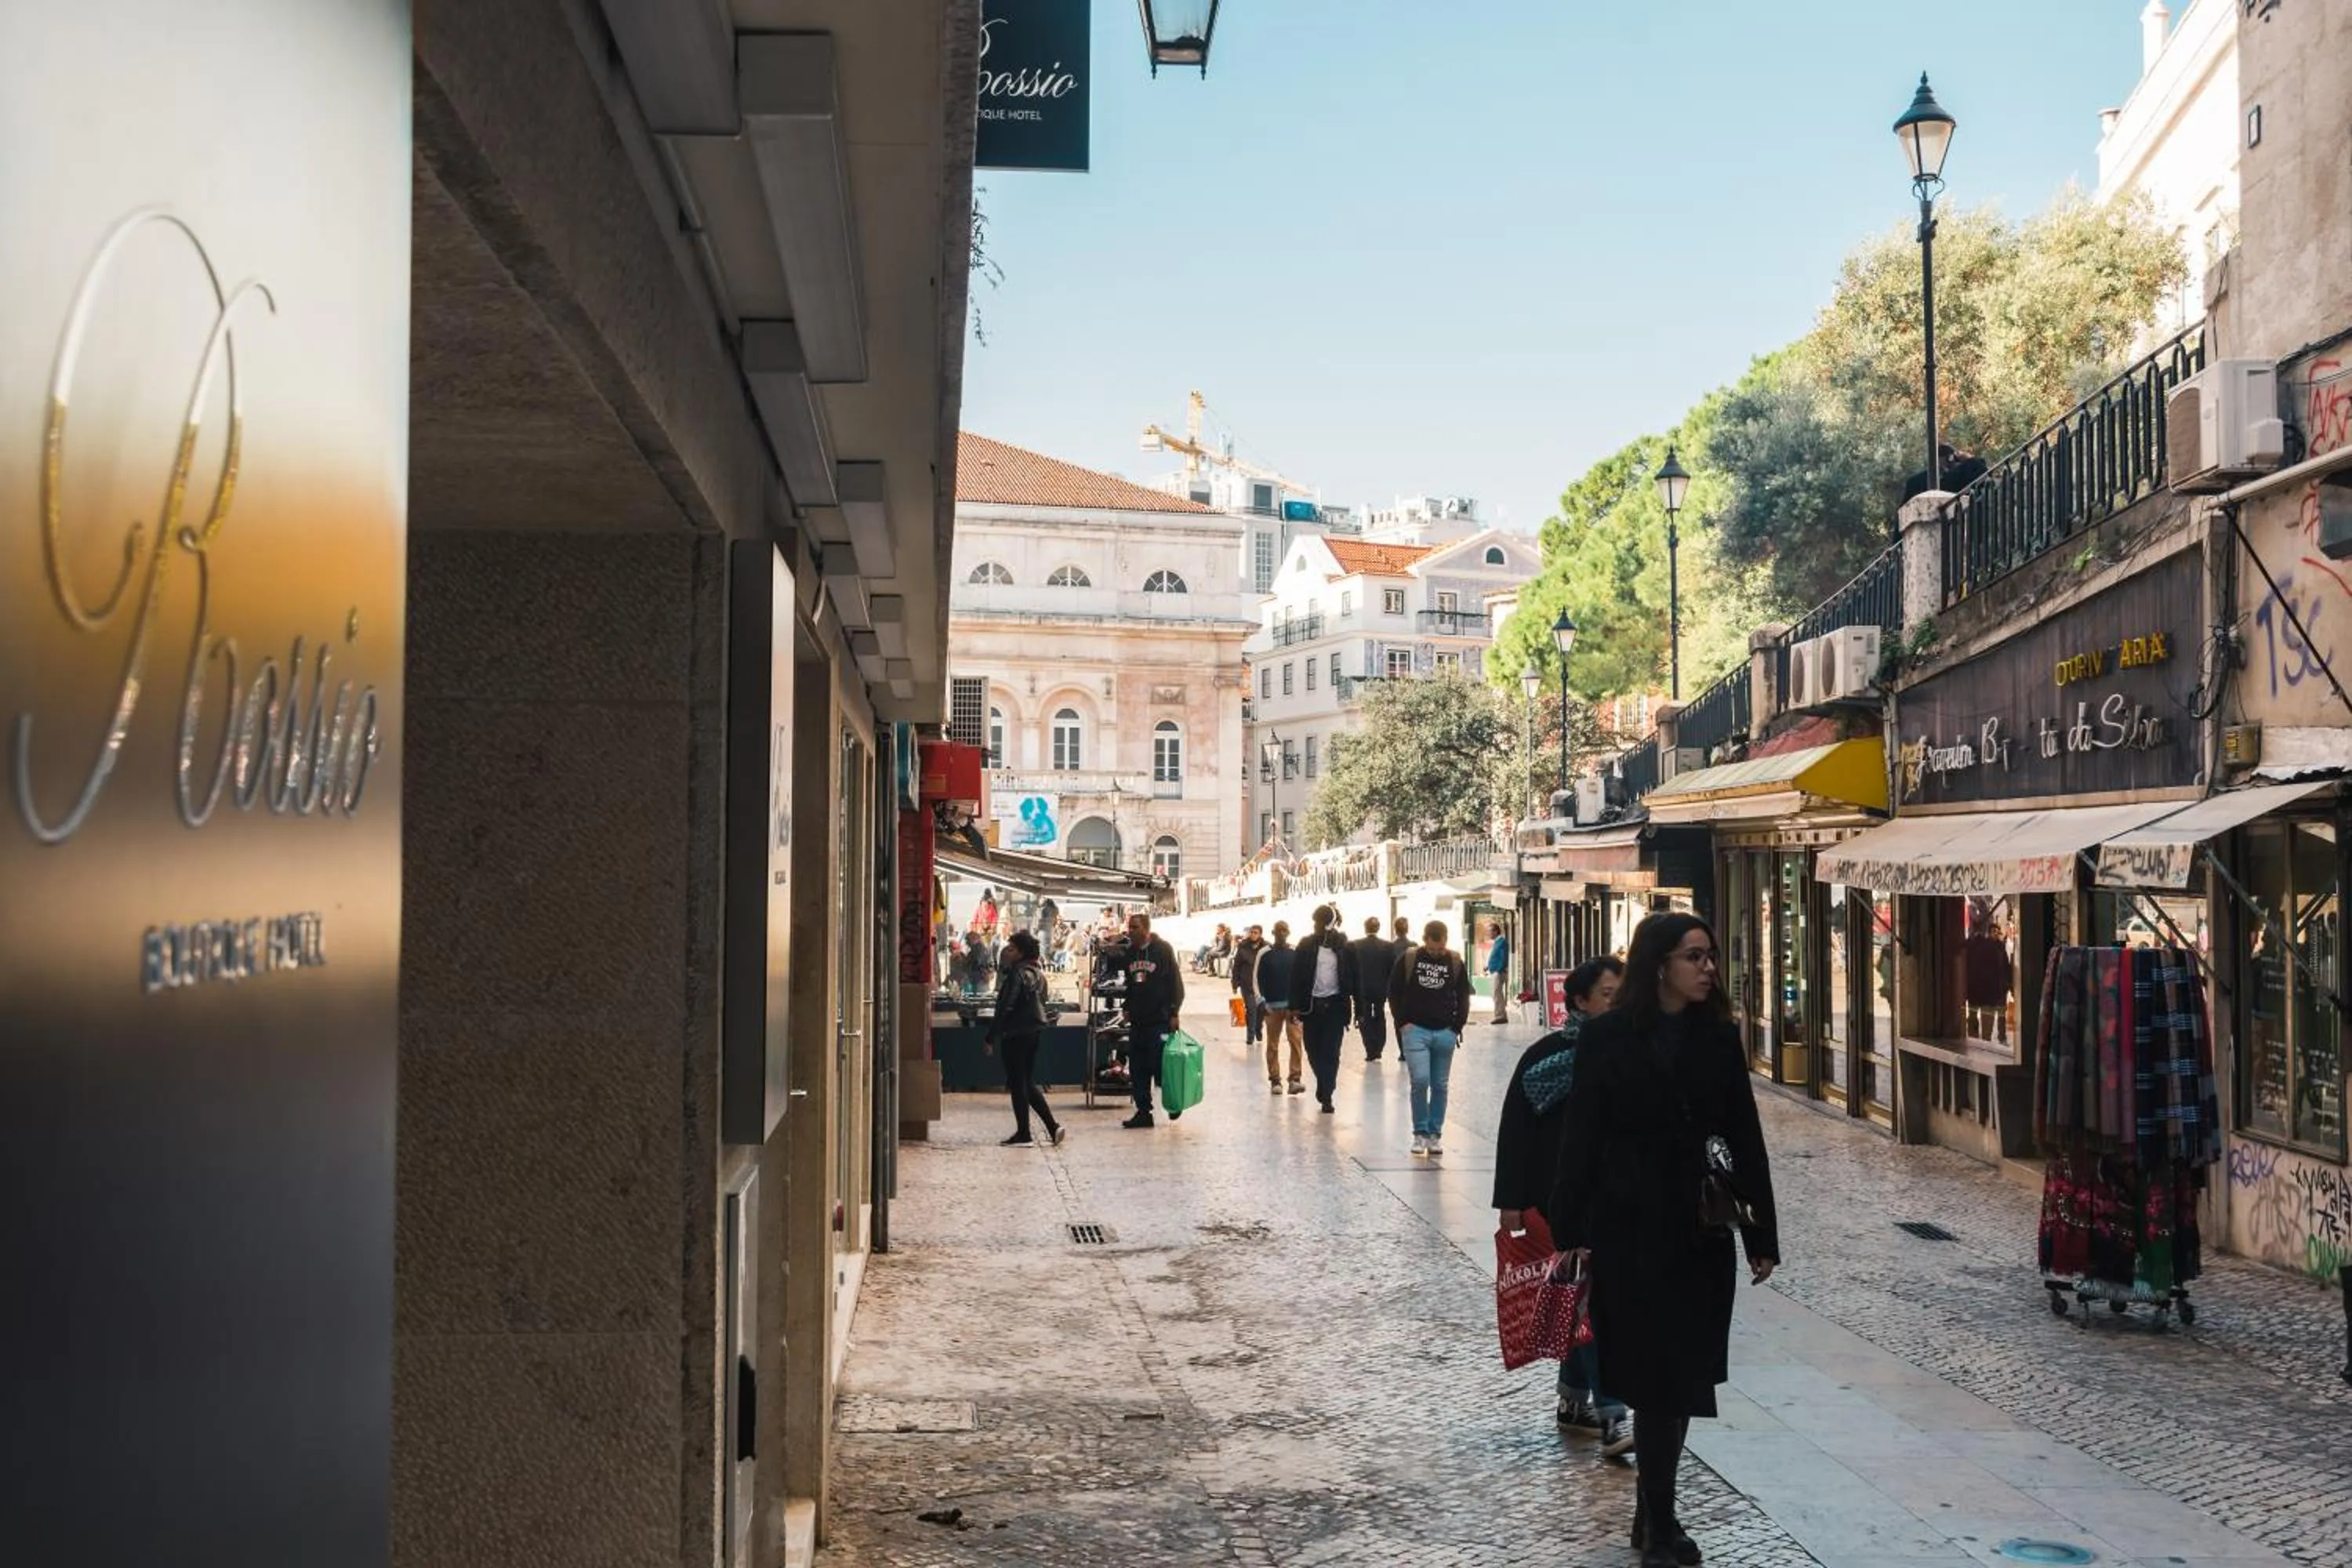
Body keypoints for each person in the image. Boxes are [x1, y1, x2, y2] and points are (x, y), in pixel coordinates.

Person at [1550, 913, 1780, 1568]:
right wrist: (1570, 1232)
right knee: (1652, 1377)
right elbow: (1581, 1139)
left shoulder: (1719, 1037)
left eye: (1710, 956)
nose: (1708, 968)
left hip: (1699, 1229)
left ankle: (1654, 1515)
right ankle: (1661, 1518)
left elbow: (1744, 1135)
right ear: (1659, 965)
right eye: (1694, 957)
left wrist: (1761, 1234)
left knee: (1680, 1378)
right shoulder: (1605, 1039)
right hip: (1628, 1229)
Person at [1493, 957, 1631, 1454]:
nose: (1620, 1002)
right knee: (1594, 1304)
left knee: (1583, 1301)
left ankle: (1575, 1399)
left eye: (1624, 992)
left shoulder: (1630, 1054)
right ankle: (1614, 1413)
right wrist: (1510, 1202)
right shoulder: (1545, 1057)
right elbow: (1516, 1132)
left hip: (1616, 1202)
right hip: (1559, 1204)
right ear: (1580, 1001)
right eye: (1610, 994)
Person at [1389, 920, 1472, 1155]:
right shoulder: (1409, 958)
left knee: (1440, 1085)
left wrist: (1456, 1027)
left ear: (1446, 940)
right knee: (1420, 1081)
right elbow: (1394, 991)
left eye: (1441, 948)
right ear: (1425, 940)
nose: (1437, 952)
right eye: (1433, 948)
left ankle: (1435, 1135)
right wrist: (1402, 1023)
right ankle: (1420, 1133)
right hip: (1415, 1030)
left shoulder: (1455, 961)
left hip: (1445, 1032)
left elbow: (1463, 995)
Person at [984, 931, 1065, 1148]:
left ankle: (1024, 1133)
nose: (1007, 952)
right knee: (1026, 1082)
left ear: (1020, 952)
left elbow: (1006, 1006)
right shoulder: (1037, 973)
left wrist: (991, 1036)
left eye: (1011, 949)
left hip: (1016, 1033)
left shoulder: (1017, 974)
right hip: (1033, 1032)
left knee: (1018, 1083)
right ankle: (1052, 1127)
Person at [1285, 905, 1358, 1112]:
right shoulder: (1306, 945)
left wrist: (1359, 1009)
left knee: (1332, 1052)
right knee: (1313, 1050)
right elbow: (1296, 977)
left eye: (1320, 922)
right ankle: (1324, 1083)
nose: (1316, 926)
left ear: (1330, 923)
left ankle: (1327, 1093)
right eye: (1315, 922)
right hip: (1311, 1008)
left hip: (1335, 1007)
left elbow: (1355, 978)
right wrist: (1293, 1007)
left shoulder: (1345, 946)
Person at [1119, 912, 1185, 1130]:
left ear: (1146, 929)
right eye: (1130, 927)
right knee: (1138, 1067)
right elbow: (1131, 984)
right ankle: (1143, 1112)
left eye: (1135, 927)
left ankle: (1173, 1102)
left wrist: (1174, 1012)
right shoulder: (1130, 954)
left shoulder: (1162, 950)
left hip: (1160, 1020)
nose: (1131, 931)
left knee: (1161, 1066)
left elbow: (1175, 982)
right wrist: (1127, 1007)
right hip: (1138, 1022)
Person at [1254, 921, 1304, 1094]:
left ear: (1288, 932)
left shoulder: (1295, 952)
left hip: (1293, 1008)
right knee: (1273, 1045)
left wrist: (1300, 1003)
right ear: (1273, 932)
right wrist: (1261, 1001)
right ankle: (1275, 1080)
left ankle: (1295, 1079)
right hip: (1272, 1008)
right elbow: (1256, 978)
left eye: (1285, 930)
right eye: (1279, 931)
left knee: (1296, 1041)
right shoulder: (1264, 953)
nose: (1282, 933)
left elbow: (1301, 979)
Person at [1348, 916, 1398, 1062]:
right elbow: (1392, 969)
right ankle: (1379, 1048)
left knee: (1365, 1017)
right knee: (1380, 1015)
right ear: (1378, 928)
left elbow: (1351, 969)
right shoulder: (1388, 946)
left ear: (1365, 928)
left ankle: (1370, 1049)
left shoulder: (1355, 945)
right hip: (1380, 988)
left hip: (1362, 988)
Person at [1231, 924, 1269, 1047]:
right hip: (1247, 984)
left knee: (1261, 1010)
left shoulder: (1266, 947)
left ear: (1260, 934)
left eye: (1256, 932)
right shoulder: (1243, 947)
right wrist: (1235, 983)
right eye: (1252, 932)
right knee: (1251, 1009)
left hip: (1262, 985)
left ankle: (1258, 1029)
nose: (1253, 934)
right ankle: (1250, 1036)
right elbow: (1236, 966)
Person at [1481, 920, 1512, 1023]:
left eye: (1490, 931)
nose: (1488, 934)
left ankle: (1500, 1016)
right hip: (1494, 972)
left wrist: (1499, 970)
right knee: (1496, 994)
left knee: (1497, 994)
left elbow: (1504, 958)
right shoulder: (1496, 943)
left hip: (1498, 973)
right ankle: (1500, 1014)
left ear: (1495, 931)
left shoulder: (1502, 942)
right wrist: (1488, 967)